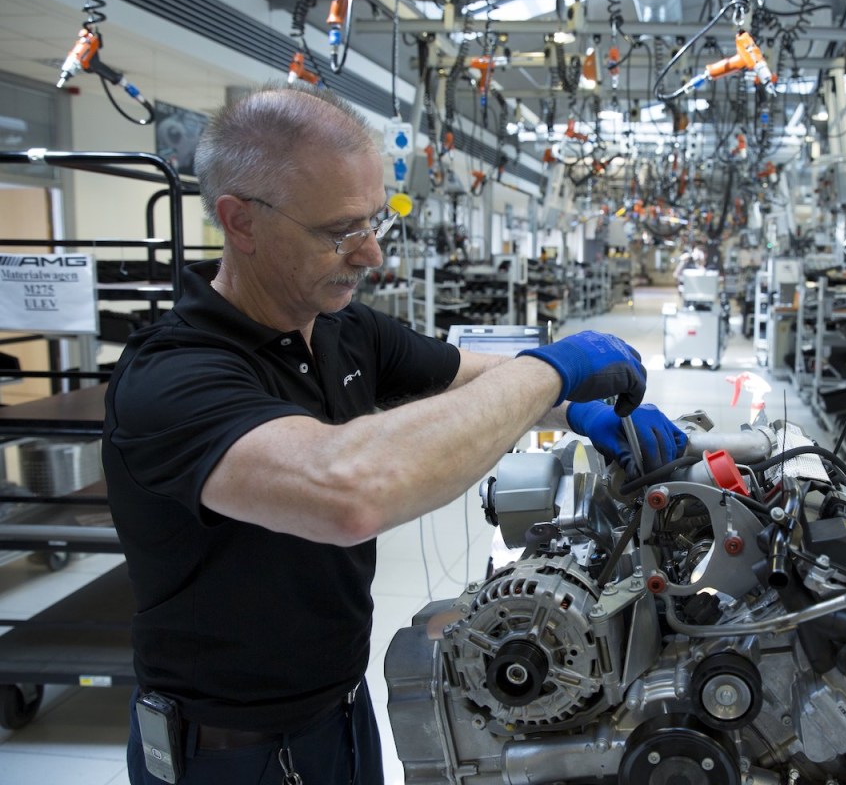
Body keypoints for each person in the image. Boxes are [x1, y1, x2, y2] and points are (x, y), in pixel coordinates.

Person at [101, 83, 687, 785]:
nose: (371, 253)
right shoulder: (171, 378)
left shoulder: (345, 333)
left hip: (343, 713)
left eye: (375, 223)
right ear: (240, 222)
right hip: (223, 751)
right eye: (339, 231)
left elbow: (471, 378)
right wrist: (550, 372)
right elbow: (348, 491)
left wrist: (581, 408)